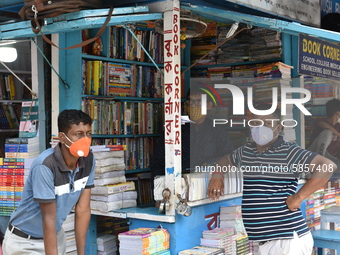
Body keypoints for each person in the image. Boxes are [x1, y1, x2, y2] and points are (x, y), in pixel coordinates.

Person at [208, 105, 336, 255]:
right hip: (263, 242)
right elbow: (225, 160)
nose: (261, 127)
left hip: (286, 241)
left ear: (278, 127)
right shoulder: (246, 151)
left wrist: (298, 197)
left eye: (267, 123)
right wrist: (217, 175)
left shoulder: (288, 151)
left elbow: (327, 166)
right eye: (256, 123)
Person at [3, 109, 95, 255]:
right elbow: (48, 218)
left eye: (88, 133)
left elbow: (83, 210)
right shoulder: (45, 166)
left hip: (56, 237)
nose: (86, 140)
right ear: (62, 137)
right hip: (25, 242)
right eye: (79, 134)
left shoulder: (89, 159)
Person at [150, 86, 234, 182]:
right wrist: (160, 187)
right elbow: (158, 162)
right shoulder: (175, 129)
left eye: (199, 102)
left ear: (209, 105)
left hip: (206, 184)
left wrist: (210, 163)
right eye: (190, 102)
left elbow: (229, 157)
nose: (193, 106)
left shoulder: (216, 130)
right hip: (177, 185)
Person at [308, 98, 340, 171]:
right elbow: (325, 126)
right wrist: (338, 135)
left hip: (328, 159)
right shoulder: (320, 120)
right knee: (327, 132)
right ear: (337, 113)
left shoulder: (339, 127)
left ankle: (322, 167)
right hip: (314, 155)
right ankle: (319, 163)